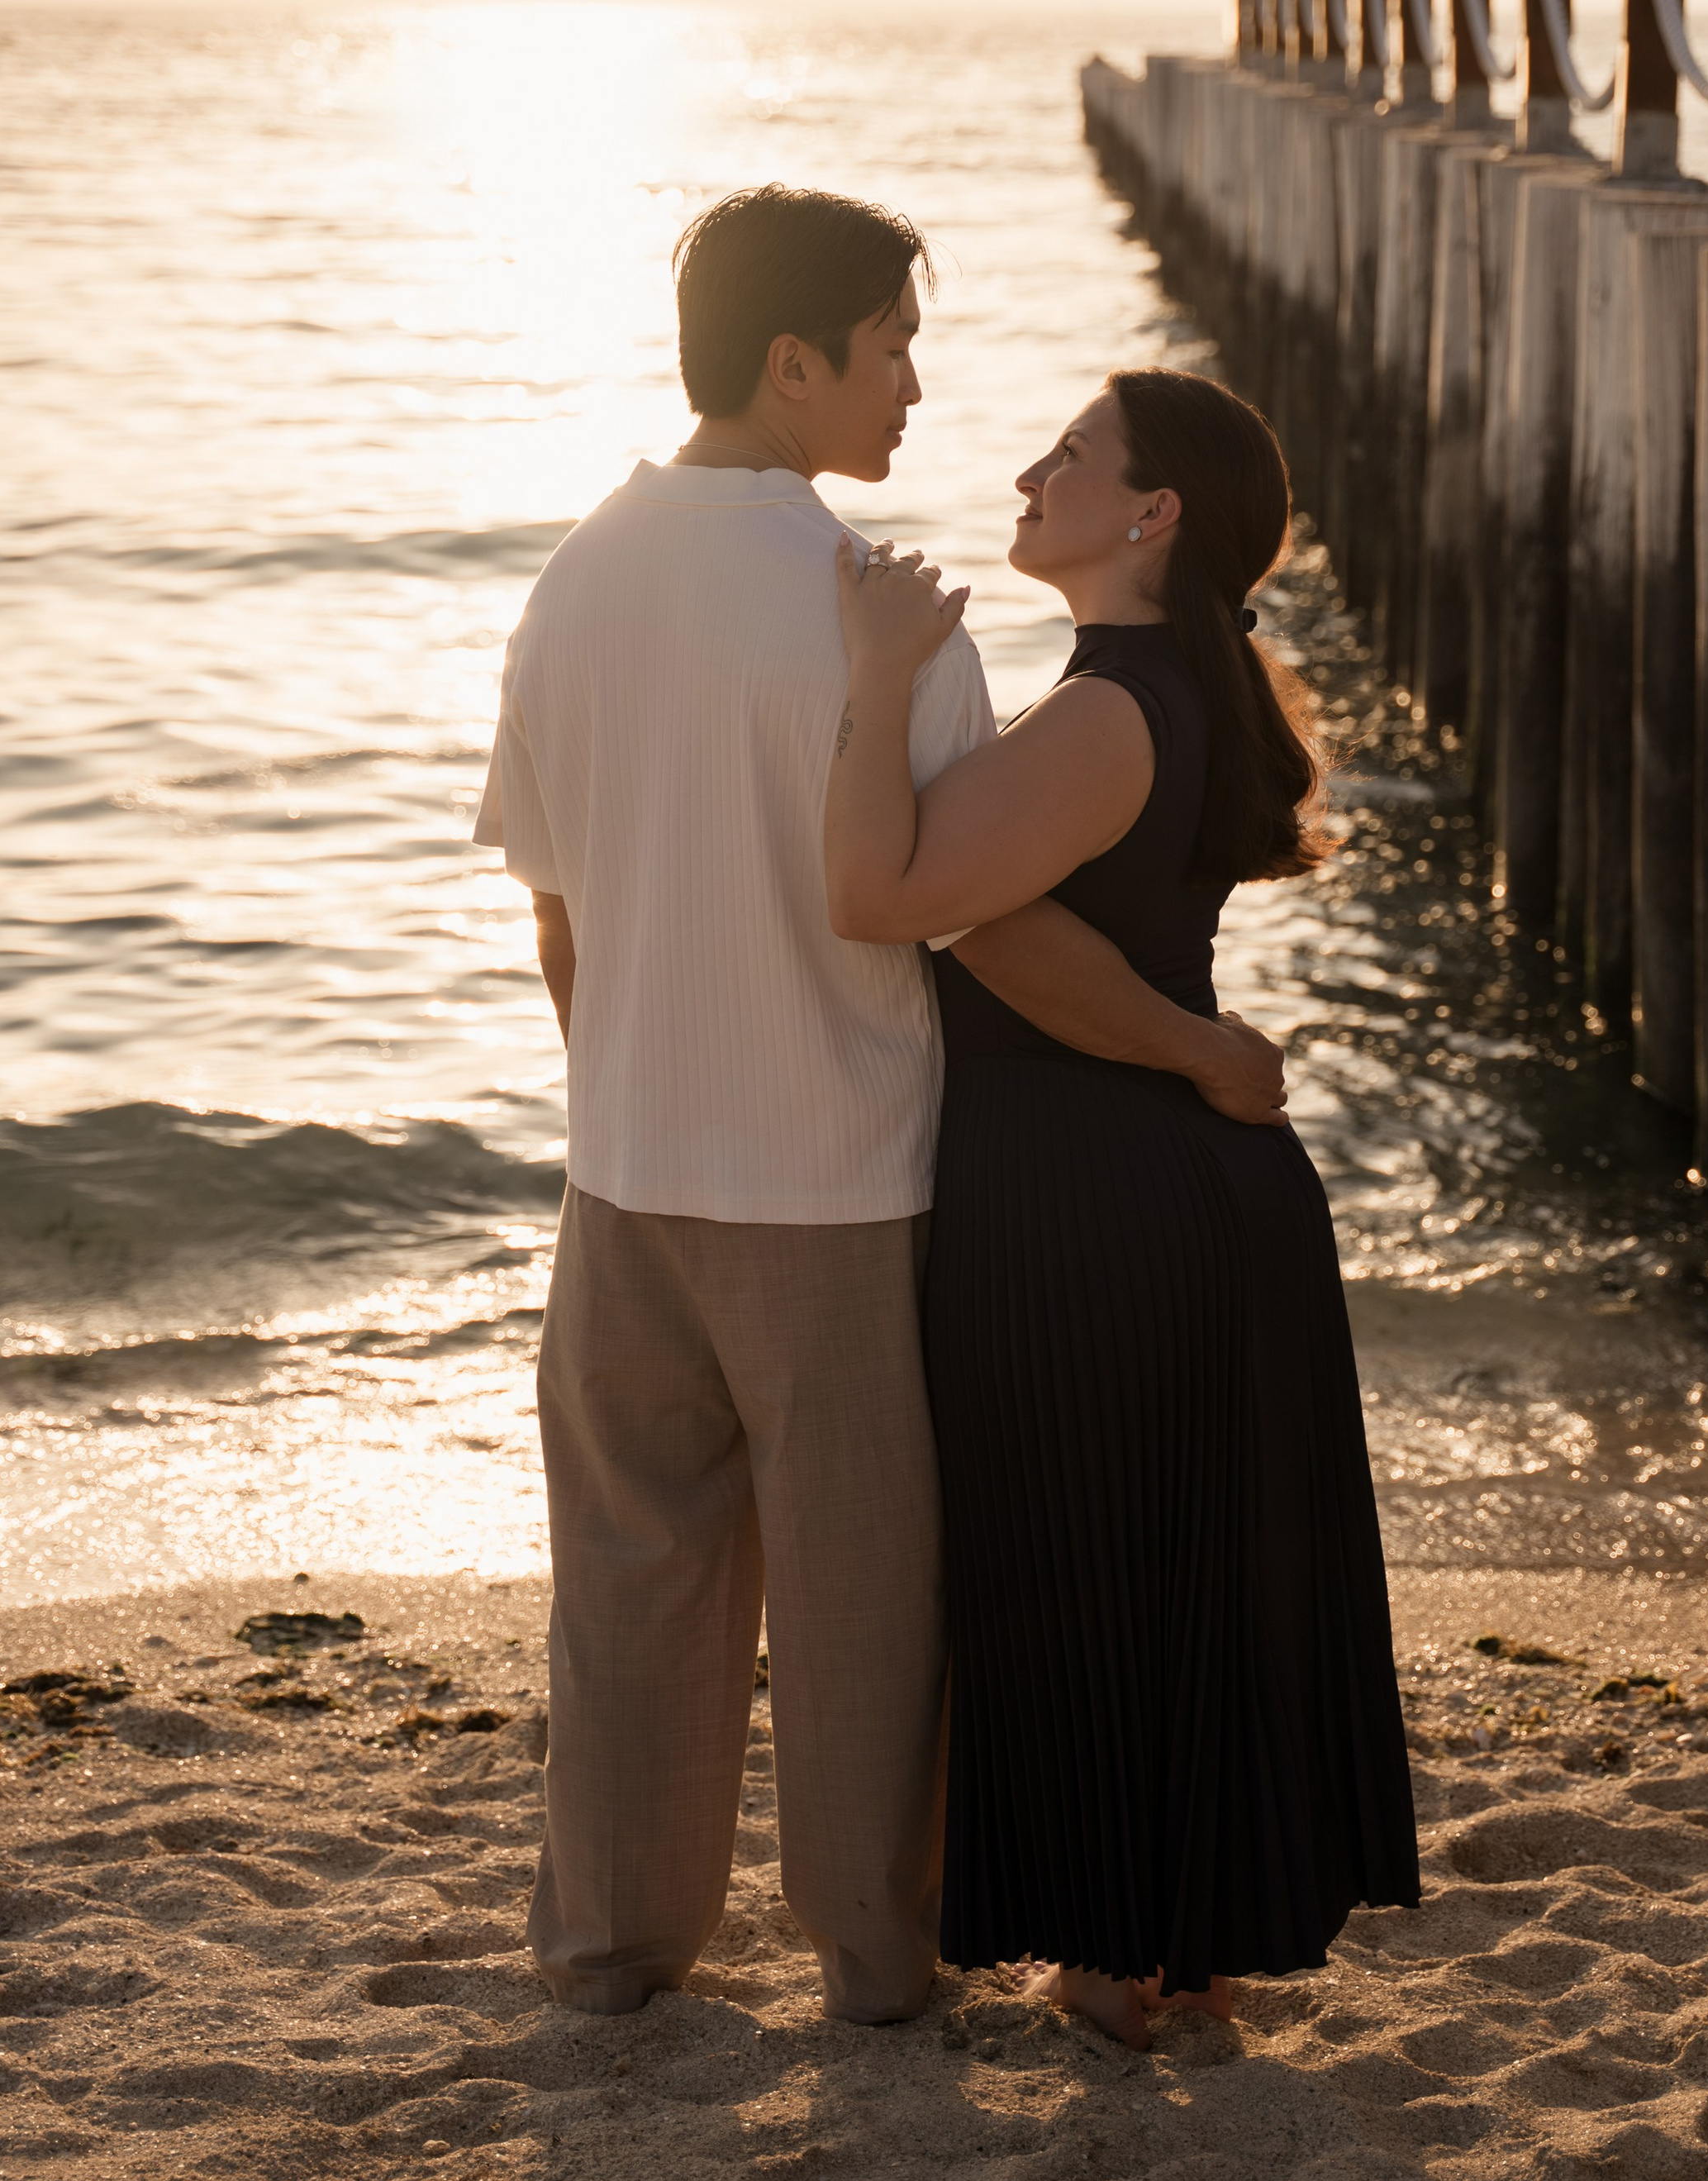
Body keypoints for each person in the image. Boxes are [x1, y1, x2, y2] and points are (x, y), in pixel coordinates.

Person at [474, 188, 1293, 2026]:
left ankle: (612, 1951)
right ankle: (872, 1962)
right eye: (889, 344)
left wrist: (629, 1090)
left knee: (630, 1582)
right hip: (837, 1187)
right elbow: (986, 921)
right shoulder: (886, 618)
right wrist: (1180, 1045)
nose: (915, 385)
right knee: (863, 1607)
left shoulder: (575, 573)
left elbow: (554, 905)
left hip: (624, 1182)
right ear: (792, 363)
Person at [824, 363, 1420, 2049]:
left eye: (1071, 456)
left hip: (1097, 1197)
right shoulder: (1178, 683)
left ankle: (1110, 1961)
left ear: (1150, 513)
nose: (1029, 472)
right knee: (1182, 1571)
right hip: (1174, 1186)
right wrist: (1197, 1047)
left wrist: (877, 679)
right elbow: (1006, 928)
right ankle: (1177, 1956)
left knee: (1074, 1559)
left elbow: (883, 894)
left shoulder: (1102, 709)